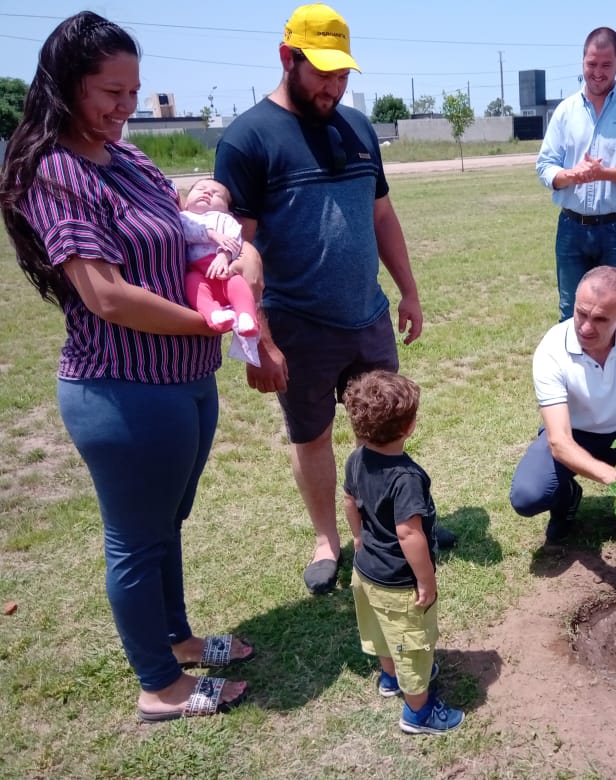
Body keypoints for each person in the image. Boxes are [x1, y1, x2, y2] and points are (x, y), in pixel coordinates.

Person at [0, 12, 253, 721]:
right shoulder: (57, 171)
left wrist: (225, 244)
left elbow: (189, 220)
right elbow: (106, 295)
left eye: (134, 91)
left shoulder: (131, 159)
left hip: (185, 382)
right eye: (110, 92)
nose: (124, 107)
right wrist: (210, 319)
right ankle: (159, 685)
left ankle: (177, 640)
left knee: (167, 522)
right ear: (65, 87)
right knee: (136, 541)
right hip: (123, 389)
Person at [215, 2, 453, 597]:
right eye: (322, 72)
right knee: (312, 434)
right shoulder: (247, 139)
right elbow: (237, 253)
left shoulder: (358, 128)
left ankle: (396, 518)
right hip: (299, 324)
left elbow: (381, 214)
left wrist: (409, 291)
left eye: (343, 73)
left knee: (384, 426)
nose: (335, 86)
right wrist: (259, 339)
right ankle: (327, 538)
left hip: (367, 314)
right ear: (286, 58)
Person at [509, 266, 616, 548]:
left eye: (600, 319)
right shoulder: (552, 349)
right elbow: (559, 441)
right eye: (581, 313)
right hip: (573, 433)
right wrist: (613, 475)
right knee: (527, 496)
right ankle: (567, 498)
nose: (585, 327)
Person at [342, 370, 464, 735]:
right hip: (398, 583)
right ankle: (419, 713)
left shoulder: (356, 458)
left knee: (382, 630)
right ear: (409, 426)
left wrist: (359, 538)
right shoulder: (406, 476)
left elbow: (349, 501)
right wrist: (425, 578)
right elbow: (409, 533)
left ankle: (390, 678)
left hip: (365, 573)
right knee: (413, 645)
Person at [535, 27, 616, 321]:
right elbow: (544, 167)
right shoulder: (565, 111)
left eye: (606, 65)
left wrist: (604, 173)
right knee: (570, 313)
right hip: (572, 229)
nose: (598, 72)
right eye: (592, 64)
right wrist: (571, 175)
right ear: (582, 62)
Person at [179, 178, 258, 338]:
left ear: (227, 210)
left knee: (238, 283)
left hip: (225, 271)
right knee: (192, 283)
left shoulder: (226, 220)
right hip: (199, 273)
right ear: (186, 202)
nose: (207, 193)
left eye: (217, 195)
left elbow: (235, 238)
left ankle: (246, 316)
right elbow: (186, 231)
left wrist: (224, 254)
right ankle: (214, 313)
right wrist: (211, 234)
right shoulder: (185, 217)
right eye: (201, 189)